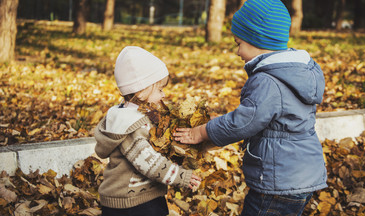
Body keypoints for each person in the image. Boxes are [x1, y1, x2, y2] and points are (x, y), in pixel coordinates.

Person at [173, 0, 328, 215]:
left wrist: (202, 132)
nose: (237, 51)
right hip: (301, 174)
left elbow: (243, 122)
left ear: (258, 39)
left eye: (238, 43)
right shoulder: (298, 72)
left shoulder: (268, 81)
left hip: (277, 181)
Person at [94, 46, 201, 216]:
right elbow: (150, 164)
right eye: (159, 89)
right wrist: (182, 177)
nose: (164, 95)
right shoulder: (131, 125)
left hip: (133, 198)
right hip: (133, 203)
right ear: (141, 92)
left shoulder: (127, 115)